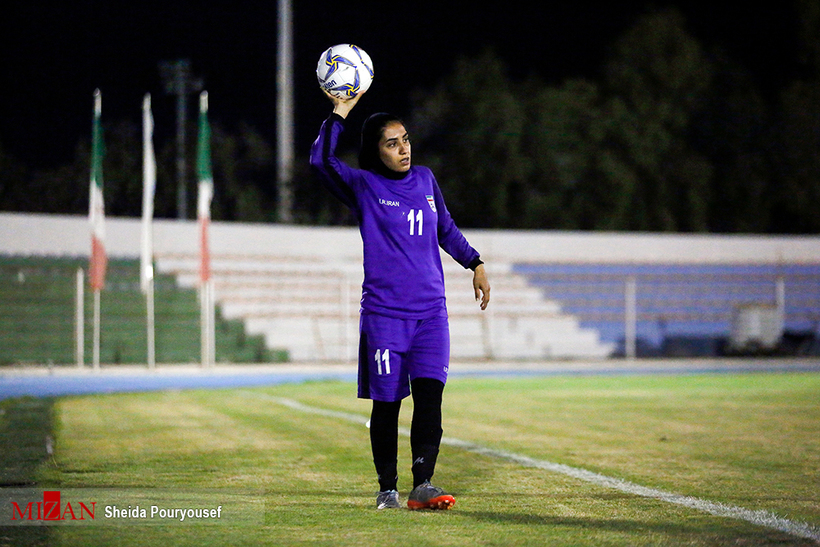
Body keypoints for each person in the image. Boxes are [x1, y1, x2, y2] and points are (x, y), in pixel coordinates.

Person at [309, 89, 490, 510]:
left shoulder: (425, 179)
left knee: (430, 397)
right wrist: (340, 112)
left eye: (405, 139)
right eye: (392, 143)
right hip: (386, 317)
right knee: (387, 404)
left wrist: (475, 263)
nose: (404, 148)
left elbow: (445, 228)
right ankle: (387, 488)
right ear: (376, 152)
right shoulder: (363, 185)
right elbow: (321, 162)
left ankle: (422, 483)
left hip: (431, 314)